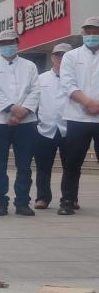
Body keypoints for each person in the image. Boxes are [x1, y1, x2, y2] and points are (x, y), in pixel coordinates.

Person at [0, 29, 41, 217]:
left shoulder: (30, 66)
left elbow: (36, 91)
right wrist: (12, 109)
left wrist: (23, 111)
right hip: (0, 121)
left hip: (26, 121)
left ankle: (22, 202)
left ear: (18, 42)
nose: (7, 46)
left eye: (11, 42)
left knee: (24, 165)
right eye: (3, 43)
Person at [58, 17, 99, 215]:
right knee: (72, 162)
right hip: (77, 117)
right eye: (88, 31)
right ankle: (67, 200)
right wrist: (87, 102)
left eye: (95, 31)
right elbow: (67, 83)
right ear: (82, 33)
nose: (91, 35)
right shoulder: (71, 56)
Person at [30, 43, 71, 210]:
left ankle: (70, 198)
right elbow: (33, 101)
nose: (61, 58)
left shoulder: (76, 77)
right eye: (58, 55)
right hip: (44, 128)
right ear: (53, 57)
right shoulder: (41, 78)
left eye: (65, 55)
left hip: (69, 128)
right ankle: (43, 198)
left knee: (71, 166)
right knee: (43, 166)